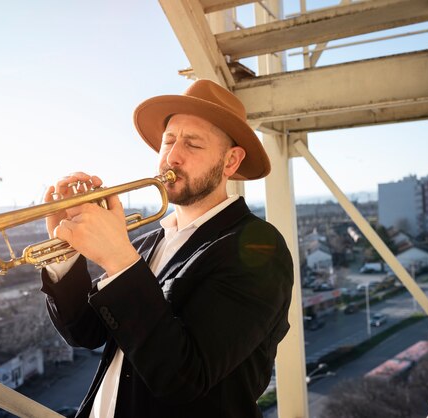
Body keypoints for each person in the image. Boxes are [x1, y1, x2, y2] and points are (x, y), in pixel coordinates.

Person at [39, 79, 293, 418]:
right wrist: (65, 253)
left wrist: (118, 259)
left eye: (192, 144)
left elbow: (184, 378)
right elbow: (86, 333)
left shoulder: (259, 249)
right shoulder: (147, 243)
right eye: (168, 141)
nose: (172, 156)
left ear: (230, 162)